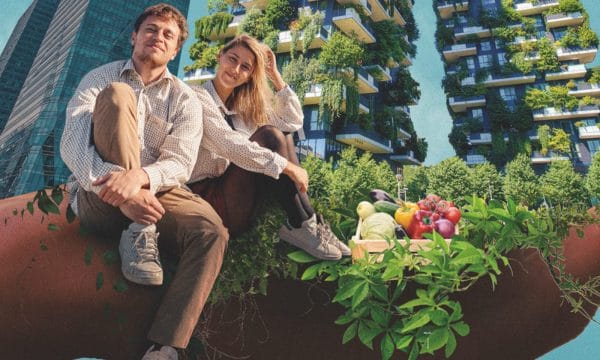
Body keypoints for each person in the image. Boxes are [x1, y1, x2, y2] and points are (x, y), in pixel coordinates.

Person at [61, 4, 228, 359]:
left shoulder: (185, 98)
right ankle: (139, 228)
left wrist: (140, 178)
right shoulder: (99, 77)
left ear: (176, 49)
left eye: (168, 35)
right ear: (135, 36)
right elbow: (71, 143)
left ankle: (166, 346)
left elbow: (181, 162)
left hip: (159, 189)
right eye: (151, 30)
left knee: (211, 231)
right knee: (119, 95)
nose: (158, 37)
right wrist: (122, 196)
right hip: (100, 193)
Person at [188, 34, 351, 260]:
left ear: (249, 76)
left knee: (282, 135)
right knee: (269, 135)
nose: (235, 69)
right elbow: (228, 144)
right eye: (232, 59)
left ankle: (309, 224)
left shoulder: (242, 109)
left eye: (245, 67)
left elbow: (292, 122)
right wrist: (288, 167)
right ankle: (302, 224)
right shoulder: (197, 97)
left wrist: (275, 76)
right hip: (209, 200)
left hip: (240, 195)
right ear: (220, 56)